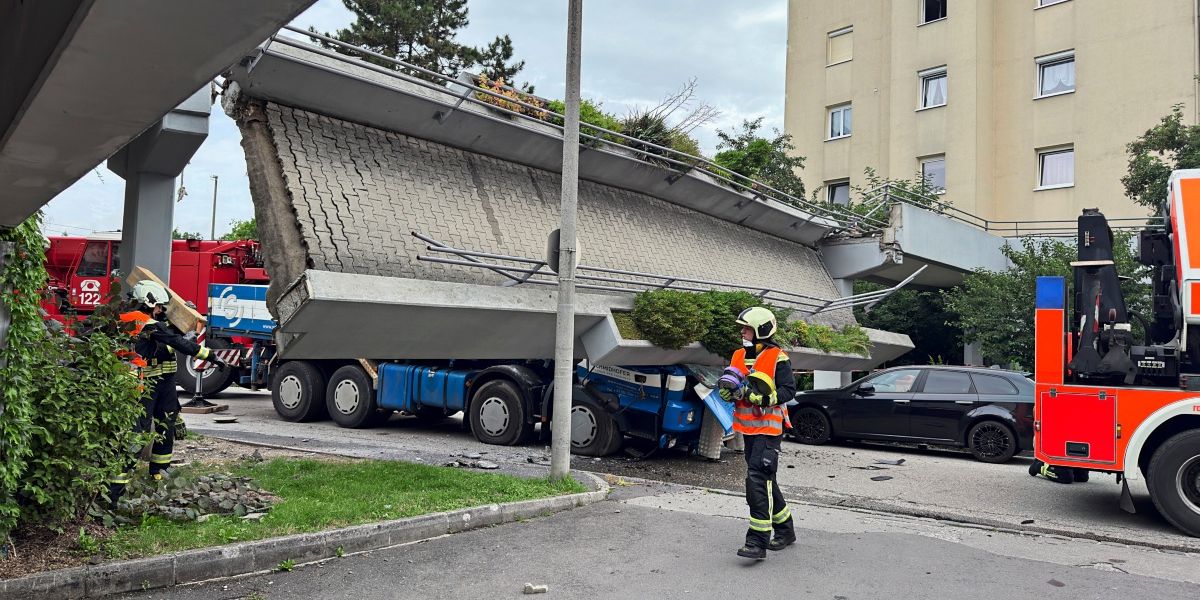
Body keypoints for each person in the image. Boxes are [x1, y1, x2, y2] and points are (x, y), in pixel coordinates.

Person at [106, 281, 227, 505]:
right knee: (138, 433)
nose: (162, 311)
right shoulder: (148, 323)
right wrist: (210, 356)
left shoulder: (132, 321)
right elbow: (173, 343)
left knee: (165, 425)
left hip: (161, 384)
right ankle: (116, 491)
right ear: (149, 304)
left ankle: (158, 471)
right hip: (144, 386)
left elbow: (165, 344)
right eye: (160, 306)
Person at [718, 306, 798, 560]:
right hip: (749, 429)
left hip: (770, 429)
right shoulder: (738, 355)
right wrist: (729, 393)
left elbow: (788, 391)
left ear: (760, 331)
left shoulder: (778, 357)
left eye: (747, 328)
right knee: (764, 479)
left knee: (756, 480)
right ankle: (785, 530)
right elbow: (734, 382)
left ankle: (756, 541)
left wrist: (763, 399)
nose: (742, 332)